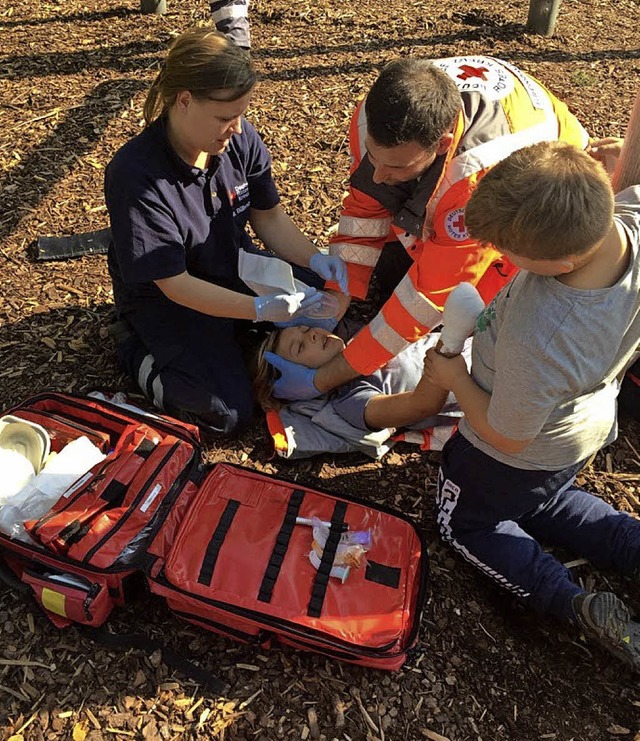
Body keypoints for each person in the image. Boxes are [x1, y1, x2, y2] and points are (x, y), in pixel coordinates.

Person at [422, 140, 640, 669]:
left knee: (467, 524)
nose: (499, 257)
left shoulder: (542, 336)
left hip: (514, 450)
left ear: (560, 262)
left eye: (506, 252)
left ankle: (570, 601)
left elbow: (506, 434)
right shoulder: (629, 217)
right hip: (579, 429)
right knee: (546, 501)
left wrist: (454, 376)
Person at [267, 56, 589, 401]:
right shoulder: (381, 113)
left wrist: (325, 379)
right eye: (374, 159)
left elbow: (427, 299)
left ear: (443, 143)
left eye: (394, 165)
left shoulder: (481, 182)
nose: (377, 175)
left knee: (475, 309)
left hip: (546, 205)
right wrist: (336, 297)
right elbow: (366, 205)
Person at [105, 27, 348, 436]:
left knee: (328, 303)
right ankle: (135, 350)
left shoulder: (237, 138)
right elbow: (174, 284)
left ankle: (239, 340)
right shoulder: (136, 175)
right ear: (183, 101)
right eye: (224, 117)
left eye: (240, 115)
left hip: (236, 269)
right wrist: (255, 311)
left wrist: (315, 260)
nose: (235, 128)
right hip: (170, 300)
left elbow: (268, 218)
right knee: (227, 413)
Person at [254, 321, 463, 432]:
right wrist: (452, 339)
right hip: (485, 388)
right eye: (300, 347)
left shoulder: (357, 339)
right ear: (295, 385)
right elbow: (423, 404)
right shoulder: (351, 402)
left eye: (306, 329)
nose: (312, 334)